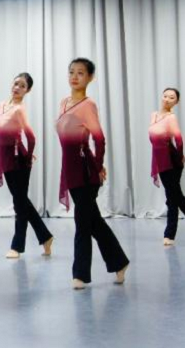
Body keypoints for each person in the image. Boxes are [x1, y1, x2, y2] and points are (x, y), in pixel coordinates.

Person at [56, 59, 128, 289]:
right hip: (70, 168)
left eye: (80, 73)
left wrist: (97, 166)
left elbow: (99, 139)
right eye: (71, 72)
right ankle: (119, 261)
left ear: (90, 78)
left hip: (85, 170)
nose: (74, 77)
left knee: (83, 223)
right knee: (93, 221)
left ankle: (80, 275)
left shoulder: (88, 105)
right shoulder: (64, 103)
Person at [0, 73, 53, 258]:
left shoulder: (19, 110)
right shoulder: (2, 106)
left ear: (27, 91)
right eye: (16, 83)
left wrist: (27, 157)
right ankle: (45, 236)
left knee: (19, 204)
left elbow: (31, 137)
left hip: (18, 160)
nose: (17, 88)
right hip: (6, 158)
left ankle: (17, 246)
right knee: (22, 202)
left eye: (22, 86)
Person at [149, 88, 185, 246]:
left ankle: (170, 235)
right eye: (165, 96)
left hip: (171, 160)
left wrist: (180, 157)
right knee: (174, 197)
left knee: (174, 197)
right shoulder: (154, 115)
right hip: (160, 160)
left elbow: (179, 139)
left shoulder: (171, 118)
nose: (167, 99)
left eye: (172, 97)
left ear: (176, 102)